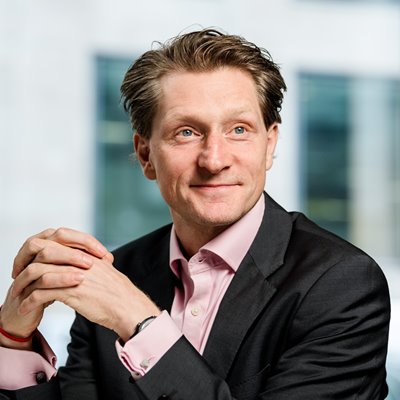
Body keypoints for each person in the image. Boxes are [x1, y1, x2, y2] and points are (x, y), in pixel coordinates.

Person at [0, 29, 390, 400]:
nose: (214, 160)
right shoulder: (118, 274)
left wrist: (139, 321)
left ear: (269, 144)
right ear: (145, 155)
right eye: (186, 132)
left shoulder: (342, 283)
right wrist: (13, 340)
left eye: (239, 130)